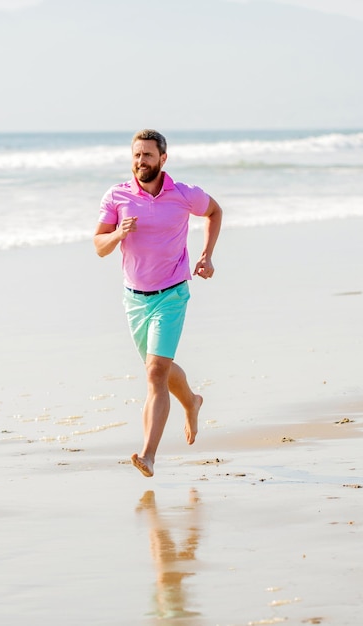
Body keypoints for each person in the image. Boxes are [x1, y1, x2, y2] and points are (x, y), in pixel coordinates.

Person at [94, 129, 222, 477]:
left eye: (148, 155)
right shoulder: (117, 196)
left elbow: (214, 212)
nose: (141, 162)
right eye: (136, 155)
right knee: (159, 368)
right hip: (134, 298)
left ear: (163, 159)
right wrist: (119, 233)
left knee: (155, 372)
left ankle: (148, 455)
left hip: (172, 292)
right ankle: (192, 401)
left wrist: (206, 256)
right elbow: (99, 245)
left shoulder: (183, 194)